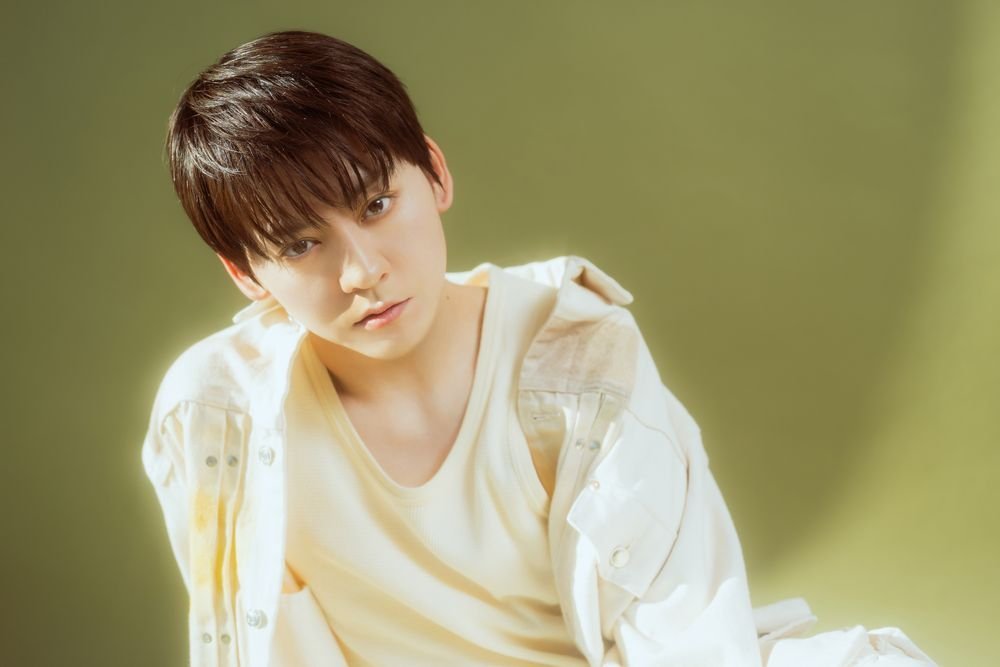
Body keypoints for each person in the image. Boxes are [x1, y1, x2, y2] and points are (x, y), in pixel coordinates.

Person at [140, 29, 938, 667]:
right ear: (246, 273)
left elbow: (685, 637)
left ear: (436, 173)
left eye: (378, 203)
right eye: (300, 245)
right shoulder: (215, 417)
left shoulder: (578, 360)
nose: (363, 271)